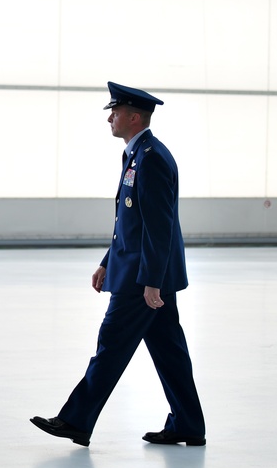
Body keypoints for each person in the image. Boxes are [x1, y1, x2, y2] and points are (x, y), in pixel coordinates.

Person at [31, 82, 206, 447]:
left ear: (133, 116)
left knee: (110, 346)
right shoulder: (138, 154)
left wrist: (152, 281)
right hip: (137, 271)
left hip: (142, 279)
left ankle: (76, 420)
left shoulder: (152, 158)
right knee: (169, 352)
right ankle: (188, 423)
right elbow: (131, 221)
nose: (110, 117)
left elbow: (159, 226)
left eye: (115, 111)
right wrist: (107, 261)